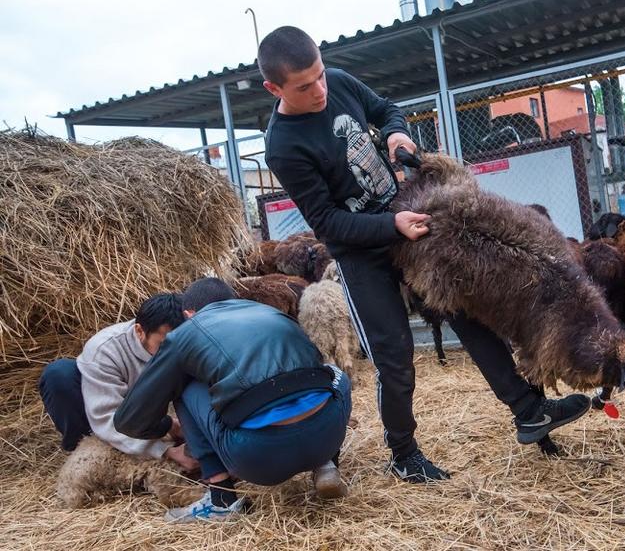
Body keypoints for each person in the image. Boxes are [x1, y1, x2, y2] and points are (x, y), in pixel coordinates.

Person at [260, 26, 590, 484]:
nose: (319, 90)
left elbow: (386, 110)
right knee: (394, 354)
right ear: (274, 88)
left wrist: (397, 135)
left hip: (406, 221)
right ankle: (403, 453)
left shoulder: (337, 81)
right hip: (361, 250)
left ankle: (530, 411)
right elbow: (328, 222)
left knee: (467, 312)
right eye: (304, 86)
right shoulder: (283, 146)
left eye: (319, 76)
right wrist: (387, 226)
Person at [114, 277, 353, 523]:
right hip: (326, 436)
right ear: (234, 302)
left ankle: (222, 499)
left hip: (258, 458)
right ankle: (326, 466)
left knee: (184, 383)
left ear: (188, 314)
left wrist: (165, 427)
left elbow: (129, 420)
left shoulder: (186, 333)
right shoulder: (269, 312)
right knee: (335, 374)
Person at [38, 293, 197, 471]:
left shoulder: (188, 338)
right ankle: (83, 449)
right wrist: (166, 451)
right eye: (163, 345)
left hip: (148, 412)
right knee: (59, 376)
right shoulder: (104, 350)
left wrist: (177, 426)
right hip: (112, 408)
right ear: (139, 331)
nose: (171, 351)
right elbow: (107, 419)